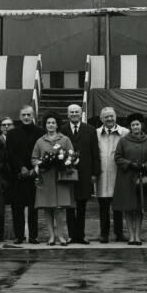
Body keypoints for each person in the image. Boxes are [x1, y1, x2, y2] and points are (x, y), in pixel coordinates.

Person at [31, 112, 75, 246]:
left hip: (60, 178)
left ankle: (61, 236)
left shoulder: (65, 139)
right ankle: (51, 236)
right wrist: (40, 163)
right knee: (48, 208)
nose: (50, 125)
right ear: (45, 125)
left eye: (53, 123)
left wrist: (65, 162)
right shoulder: (40, 141)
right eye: (48, 123)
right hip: (46, 179)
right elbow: (33, 158)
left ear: (57, 125)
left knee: (60, 209)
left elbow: (72, 156)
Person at [60, 104, 100, 244]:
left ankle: (81, 235)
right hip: (68, 171)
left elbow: (95, 153)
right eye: (71, 112)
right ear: (68, 114)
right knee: (70, 205)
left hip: (85, 173)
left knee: (82, 205)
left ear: (81, 113)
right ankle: (72, 235)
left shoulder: (90, 130)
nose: (74, 114)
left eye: (76, 112)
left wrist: (95, 173)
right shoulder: (63, 130)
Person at [112, 112, 147, 245]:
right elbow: (117, 157)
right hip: (126, 177)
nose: (135, 127)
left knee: (139, 208)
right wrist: (130, 164)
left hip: (142, 177)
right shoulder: (123, 141)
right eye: (133, 125)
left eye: (137, 124)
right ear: (130, 127)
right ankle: (131, 236)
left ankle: (138, 235)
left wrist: (145, 165)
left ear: (141, 125)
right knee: (128, 208)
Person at [6, 105, 44, 244]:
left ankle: (33, 236)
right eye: (24, 115)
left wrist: (35, 168)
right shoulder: (12, 133)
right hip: (18, 175)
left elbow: (42, 151)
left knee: (34, 208)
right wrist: (21, 167)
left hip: (35, 174)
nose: (26, 117)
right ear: (20, 116)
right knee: (17, 207)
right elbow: (10, 153)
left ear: (33, 115)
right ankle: (19, 236)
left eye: (29, 115)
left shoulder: (40, 132)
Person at [95, 107, 128, 243]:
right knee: (103, 207)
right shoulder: (96, 133)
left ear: (116, 117)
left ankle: (119, 233)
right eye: (106, 117)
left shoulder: (125, 132)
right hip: (102, 174)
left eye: (111, 116)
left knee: (118, 207)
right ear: (101, 119)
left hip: (118, 173)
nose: (109, 119)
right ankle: (104, 233)